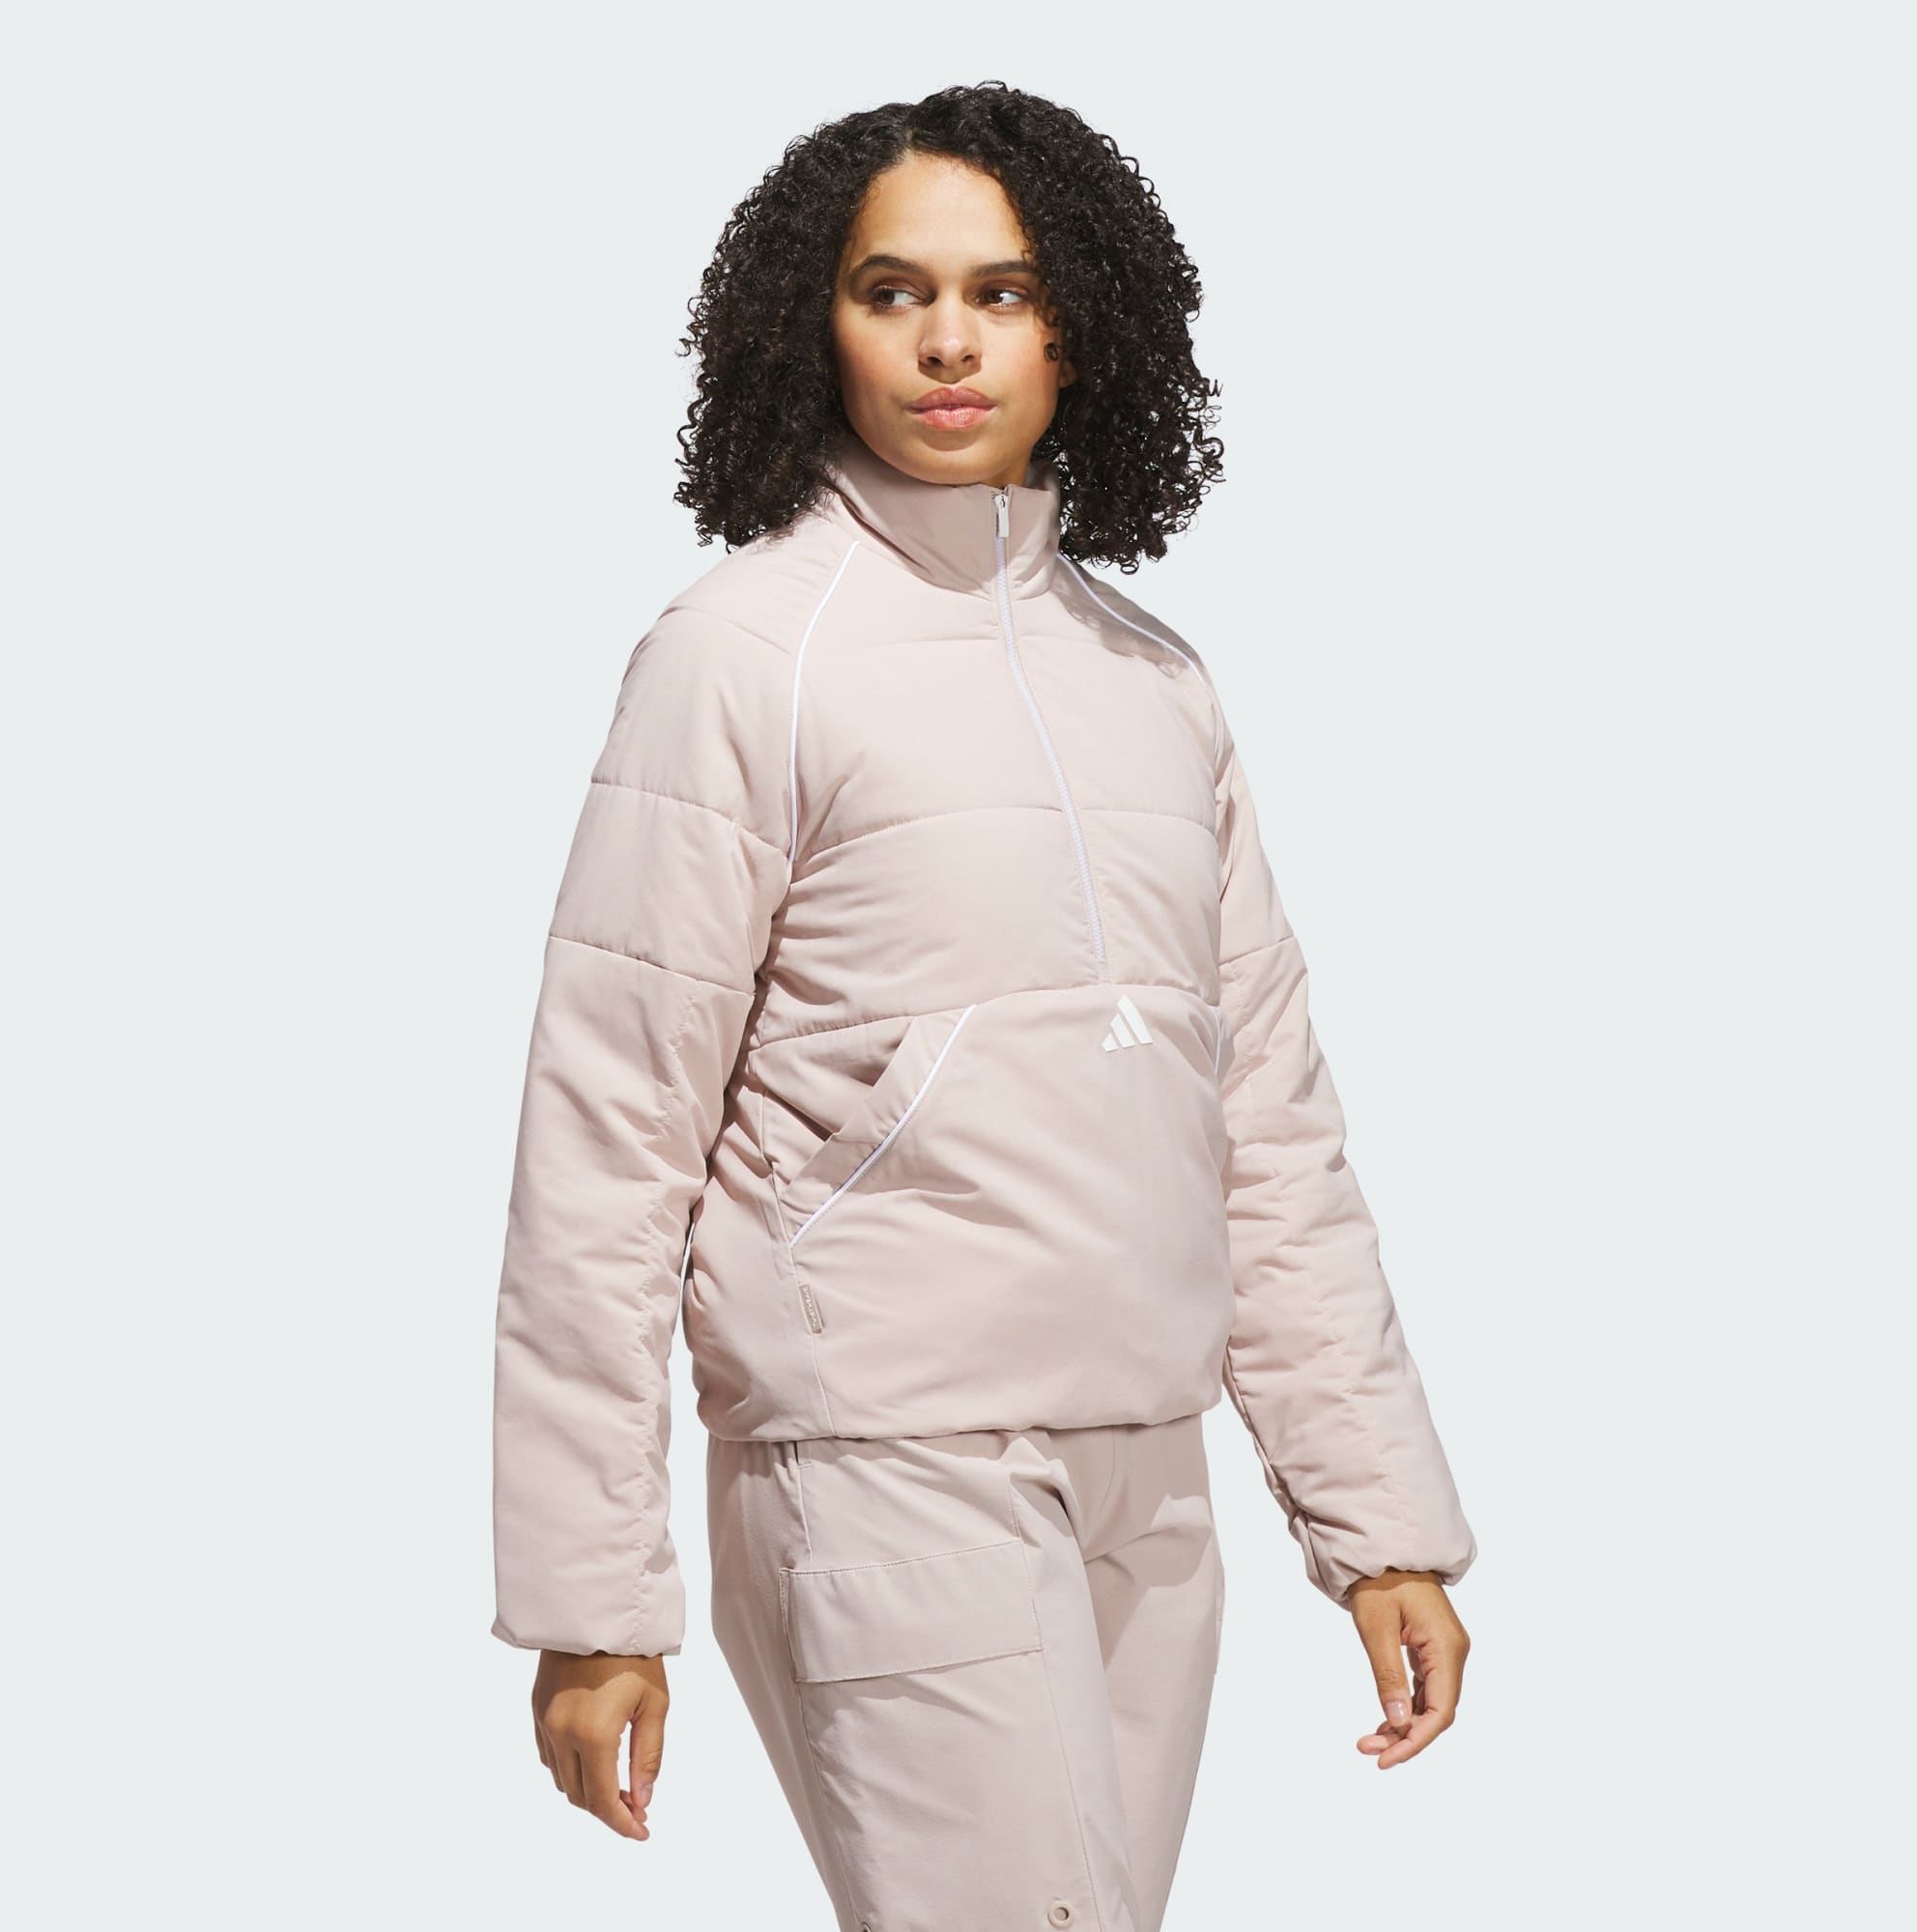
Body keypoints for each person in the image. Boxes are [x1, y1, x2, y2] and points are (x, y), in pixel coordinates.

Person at [490, 80, 1477, 1931]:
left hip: (1146, 1474)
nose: (949, 341)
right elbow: (607, 1139)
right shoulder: (739, 657)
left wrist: (1380, 1528)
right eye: (894, 291)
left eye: (1003, 293)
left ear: (1080, 328)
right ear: (817, 326)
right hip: (882, 1459)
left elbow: (1267, 1130)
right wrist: (591, 1597)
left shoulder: (1156, 681)